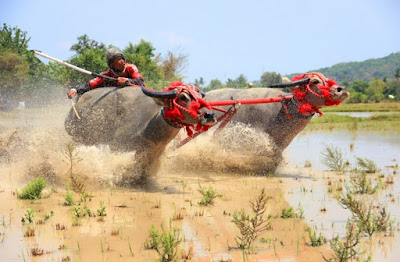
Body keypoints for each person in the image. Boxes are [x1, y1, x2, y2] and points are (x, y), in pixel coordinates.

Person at [67, 47, 144, 98]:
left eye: (122, 58)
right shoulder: (106, 75)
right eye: (119, 59)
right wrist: (75, 90)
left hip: (136, 96)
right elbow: (90, 84)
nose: (123, 61)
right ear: (112, 63)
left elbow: (140, 82)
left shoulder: (131, 68)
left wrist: (127, 80)